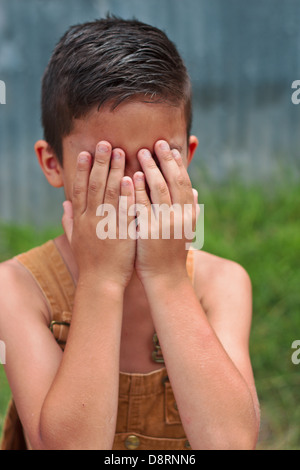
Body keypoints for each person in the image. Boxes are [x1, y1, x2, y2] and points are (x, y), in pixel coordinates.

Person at [0, 16, 260, 450]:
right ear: (53, 164)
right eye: (108, 165)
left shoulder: (221, 284)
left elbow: (231, 442)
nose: (133, 189)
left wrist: (168, 278)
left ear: (187, 157)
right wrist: (101, 280)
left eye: (158, 162)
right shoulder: (17, 288)